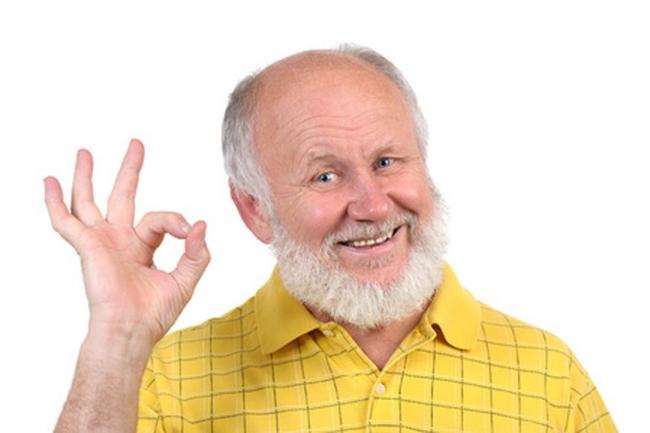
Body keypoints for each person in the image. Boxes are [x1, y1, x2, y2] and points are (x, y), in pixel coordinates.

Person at [45, 46, 617, 433]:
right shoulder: (167, 381)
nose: (373, 205)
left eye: (387, 161)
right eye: (325, 176)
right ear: (255, 210)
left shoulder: (549, 374)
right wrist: (116, 339)